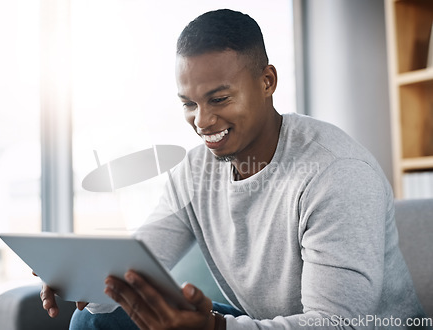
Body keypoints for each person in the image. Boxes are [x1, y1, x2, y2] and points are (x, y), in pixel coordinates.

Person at [40, 9, 426, 329]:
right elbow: (139, 264)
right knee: (93, 320)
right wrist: (85, 281)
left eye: (219, 99)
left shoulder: (335, 172)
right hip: (264, 321)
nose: (202, 121)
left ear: (267, 82)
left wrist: (215, 327)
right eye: (189, 104)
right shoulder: (195, 170)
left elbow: (337, 323)